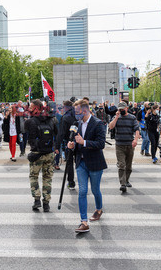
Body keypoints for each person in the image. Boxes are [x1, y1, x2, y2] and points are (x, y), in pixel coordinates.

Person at [68, 99, 107, 233]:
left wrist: (84, 142)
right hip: (81, 163)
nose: (76, 114)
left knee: (95, 190)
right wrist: (71, 145)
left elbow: (101, 144)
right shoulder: (77, 124)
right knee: (82, 191)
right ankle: (83, 222)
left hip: (95, 162)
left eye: (77, 111)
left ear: (85, 110)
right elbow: (74, 141)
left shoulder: (98, 123)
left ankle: (99, 209)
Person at [25, 100, 59, 212]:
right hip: (49, 153)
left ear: (36, 108)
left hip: (36, 154)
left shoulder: (30, 121)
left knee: (34, 176)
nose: (29, 108)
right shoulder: (51, 119)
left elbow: (26, 135)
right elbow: (57, 133)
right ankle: (46, 203)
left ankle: (37, 199)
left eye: (31, 106)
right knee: (47, 178)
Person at [108, 102, 139, 192]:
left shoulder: (132, 118)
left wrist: (135, 140)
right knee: (121, 165)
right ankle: (123, 184)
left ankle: (126, 180)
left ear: (126, 108)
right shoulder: (116, 117)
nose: (121, 110)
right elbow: (111, 127)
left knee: (128, 166)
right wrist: (116, 117)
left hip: (129, 144)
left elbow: (137, 130)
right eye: (119, 109)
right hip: (119, 145)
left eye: (122, 109)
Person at [55, 100, 77, 189]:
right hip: (79, 141)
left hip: (69, 142)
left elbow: (61, 133)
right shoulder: (78, 115)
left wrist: (57, 145)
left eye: (63, 107)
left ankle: (71, 182)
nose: (62, 109)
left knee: (69, 163)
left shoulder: (66, 117)